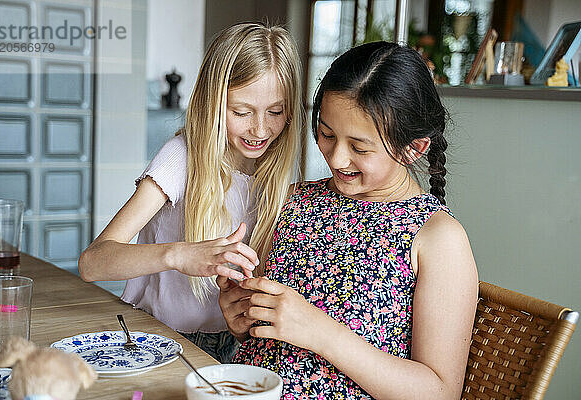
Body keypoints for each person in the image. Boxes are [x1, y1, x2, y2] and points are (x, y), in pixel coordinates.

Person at [218, 41, 478, 399]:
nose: (337, 158)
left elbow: (438, 392)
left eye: (359, 147)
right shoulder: (292, 200)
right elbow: (265, 331)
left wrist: (319, 331)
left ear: (414, 148)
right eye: (327, 135)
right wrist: (241, 319)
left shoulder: (438, 238)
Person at [78, 22, 304, 363]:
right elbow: (92, 263)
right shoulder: (181, 157)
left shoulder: (272, 173)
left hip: (231, 345)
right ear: (213, 102)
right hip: (157, 337)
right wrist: (178, 255)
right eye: (241, 112)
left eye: (276, 111)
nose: (260, 129)